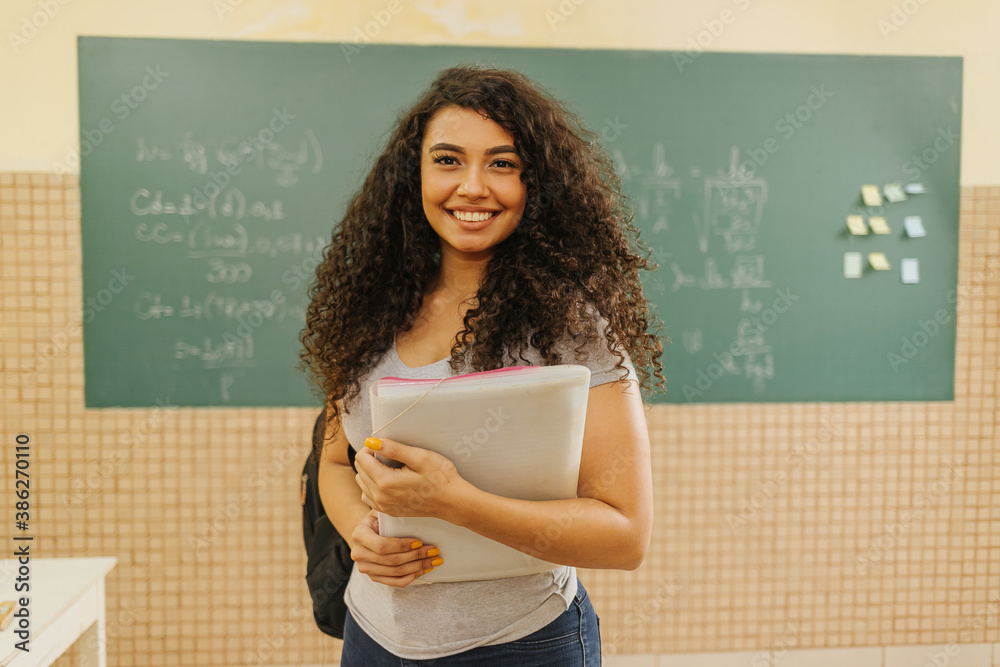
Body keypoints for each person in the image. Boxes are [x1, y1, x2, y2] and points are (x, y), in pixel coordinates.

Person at [298, 64, 665, 666]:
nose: (472, 186)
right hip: (374, 638)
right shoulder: (370, 307)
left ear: (537, 183)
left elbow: (625, 535)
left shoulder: (571, 328)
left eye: (502, 163)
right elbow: (337, 460)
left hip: (521, 643)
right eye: (447, 160)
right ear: (412, 176)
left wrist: (454, 501)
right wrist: (361, 532)